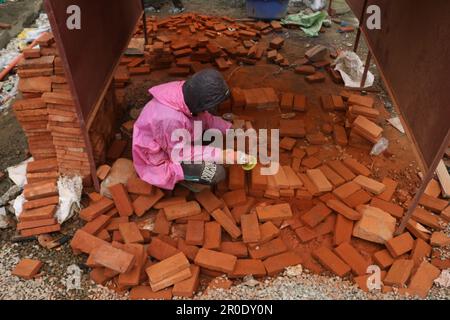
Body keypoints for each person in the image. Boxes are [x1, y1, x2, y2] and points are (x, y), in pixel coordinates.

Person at [132, 69, 246, 190]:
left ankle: (201, 155)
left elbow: (206, 118)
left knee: (213, 134)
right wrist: (224, 154)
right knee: (216, 173)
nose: (210, 109)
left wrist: (229, 128)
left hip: (173, 139)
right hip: (160, 159)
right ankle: (183, 178)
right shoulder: (170, 120)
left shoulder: (187, 93)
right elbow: (180, 154)